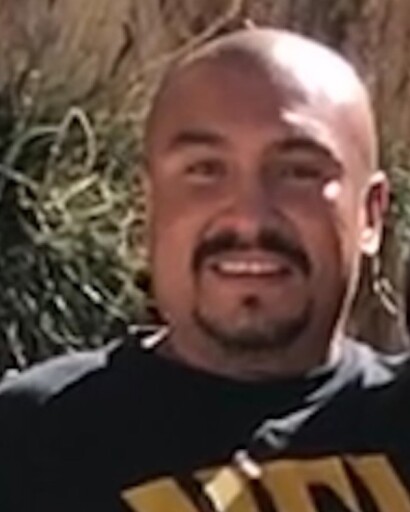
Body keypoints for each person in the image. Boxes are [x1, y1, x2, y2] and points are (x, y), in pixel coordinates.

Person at [0, 27, 408, 512]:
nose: (249, 217)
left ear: (370, 215)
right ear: (149, 205)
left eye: (298, 171)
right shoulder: (28, 441)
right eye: (205, 170)